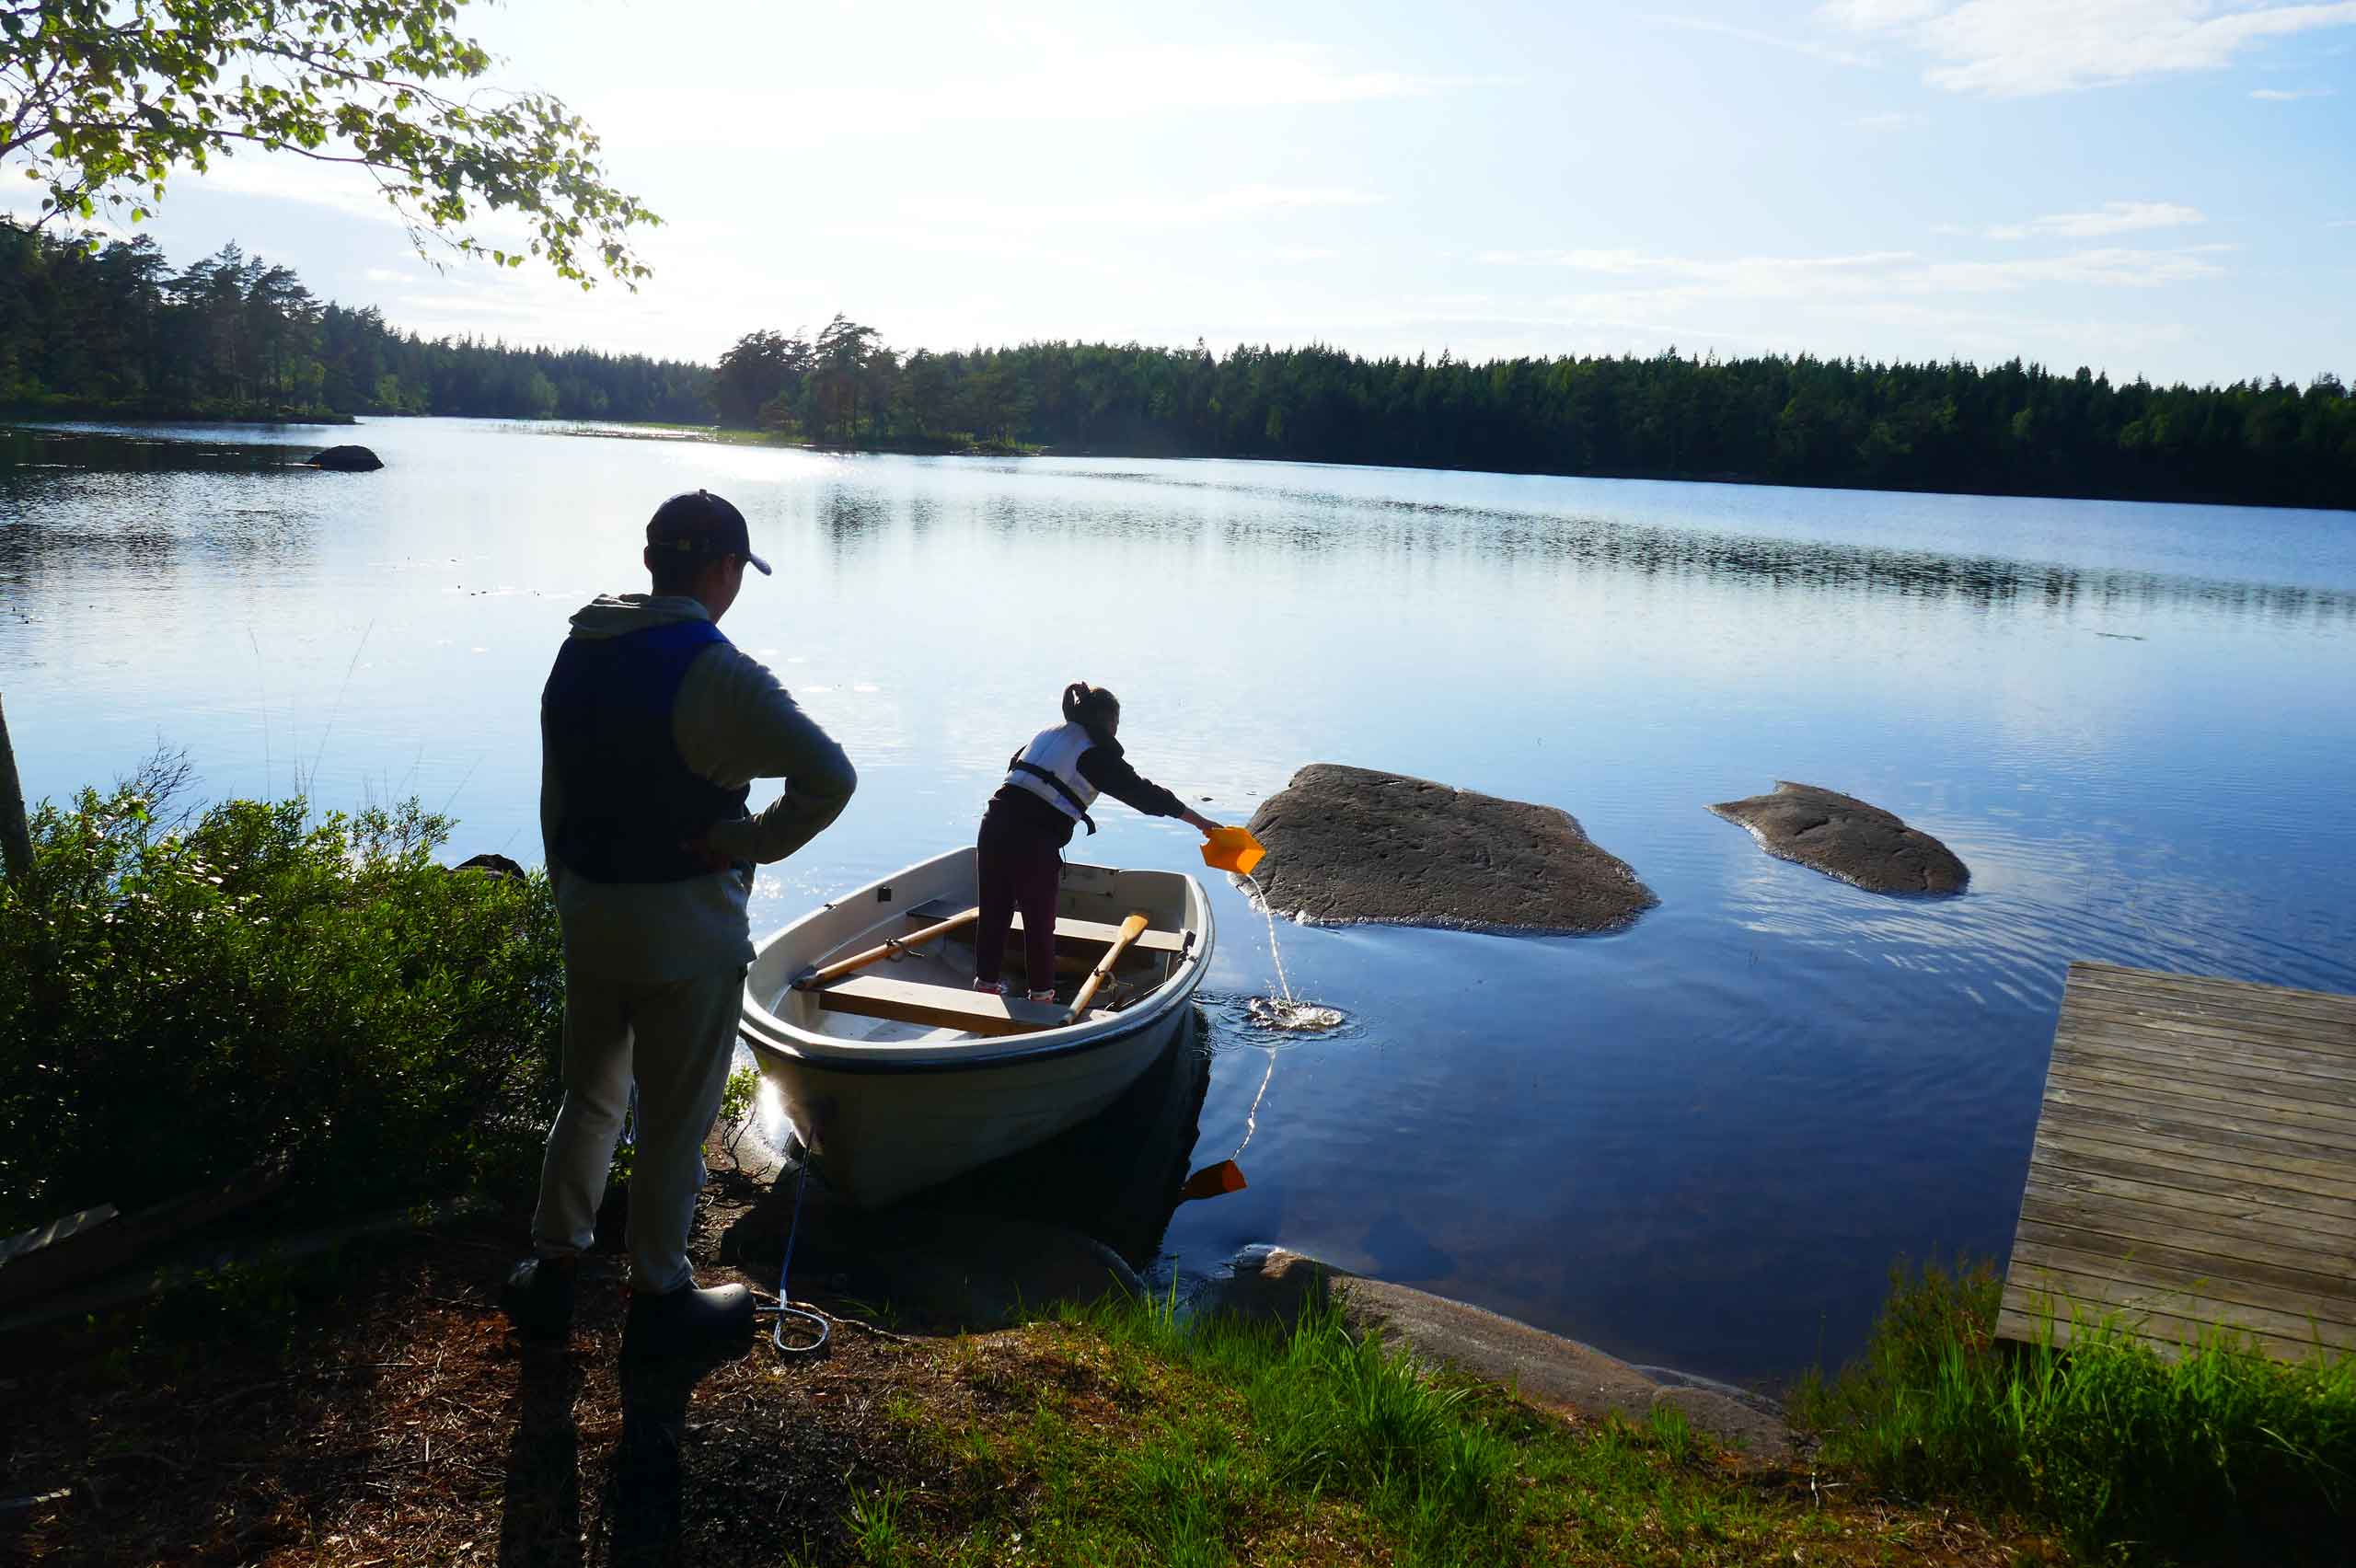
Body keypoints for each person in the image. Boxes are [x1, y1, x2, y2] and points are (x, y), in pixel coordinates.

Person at [502, 490, 856, 1357]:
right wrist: (748, 840)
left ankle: (552, 1271)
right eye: (739, 571)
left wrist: (570, 891)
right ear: (723, 569)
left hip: (589, 915)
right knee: (671, 1121)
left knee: (587, 1098)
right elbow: (830, 777)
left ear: (654, 558)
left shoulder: (581, 646)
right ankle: (659, 1297)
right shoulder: (718, 669)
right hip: (684, 936)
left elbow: (559, 791)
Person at [975, 681, 1221, 1000]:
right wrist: (1199, 821)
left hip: (993, 825)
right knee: (1039, 923)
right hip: (1033, 841)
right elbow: (1143, 794)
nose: (1116, 733)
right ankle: (1041, 997)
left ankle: (985, 987)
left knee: (994, 912)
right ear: (1106, 721)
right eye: (1116, 725)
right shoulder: (1094, 752)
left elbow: (1018, 776)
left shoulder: (1045, 735)